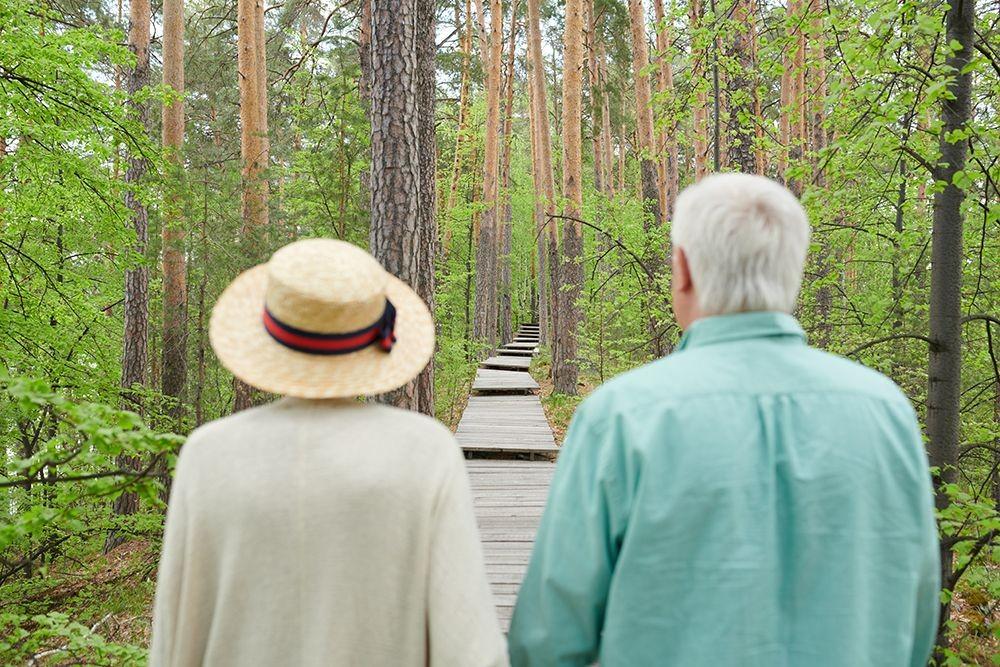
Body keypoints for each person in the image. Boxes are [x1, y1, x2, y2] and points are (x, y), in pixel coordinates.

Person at [507, 173, 940, 666]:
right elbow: (917, 611)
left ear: (684, 269)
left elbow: (549, 638)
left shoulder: (622, 417)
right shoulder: (885, 412)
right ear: (792, 269)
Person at [150, 239, 507, 667]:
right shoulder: (426, 452)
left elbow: (175, 633)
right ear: (375, 340)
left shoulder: (208, 455)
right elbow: (467, 642)